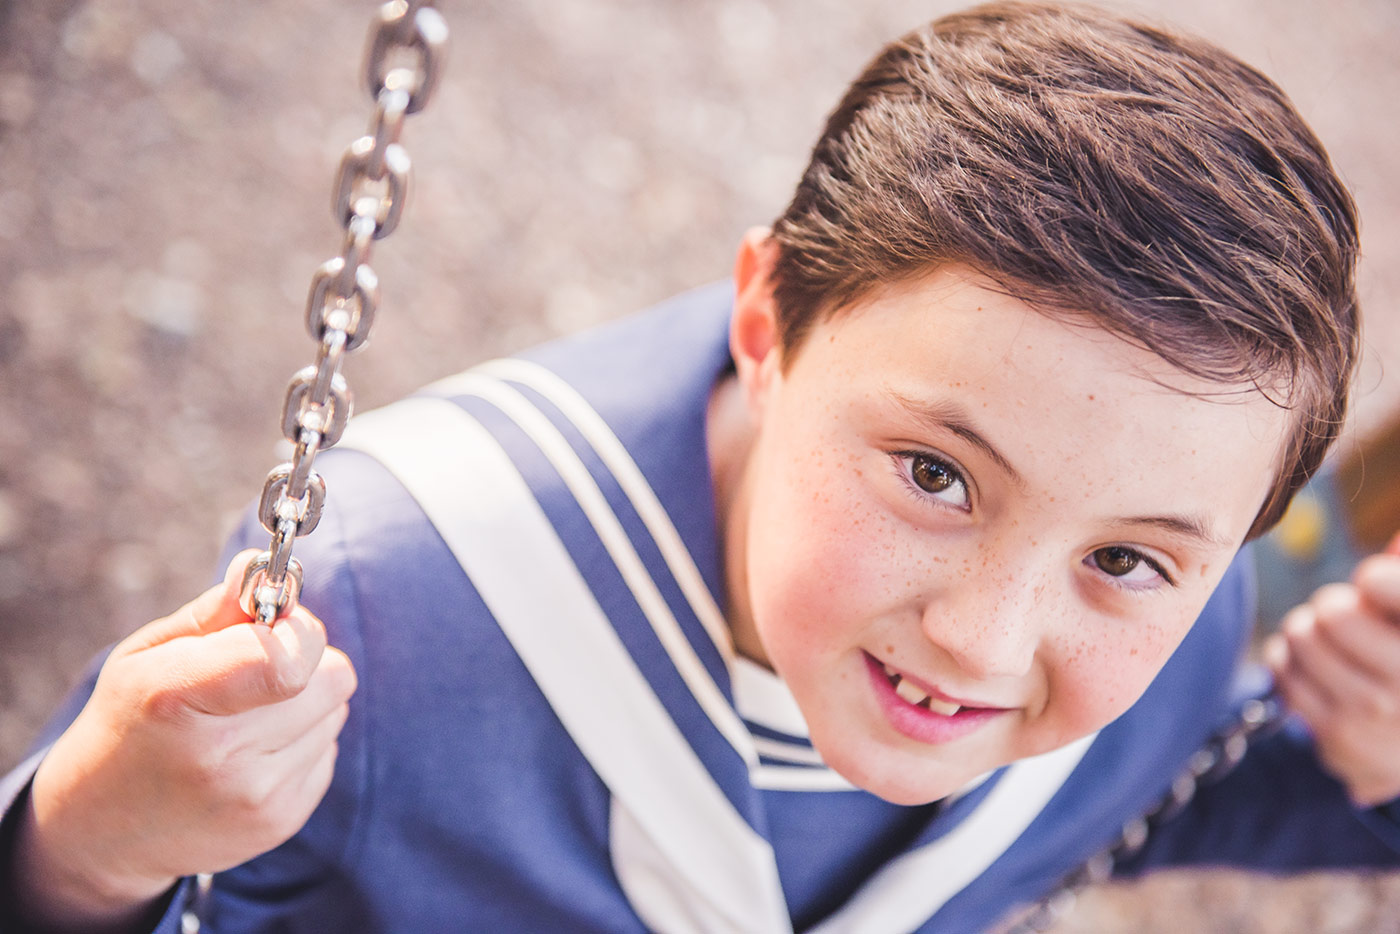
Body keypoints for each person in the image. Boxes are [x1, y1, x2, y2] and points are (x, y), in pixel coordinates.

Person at [5, 3, 1400, 931]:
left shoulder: (1175, 633)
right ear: (764, 314)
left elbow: (1172, 796)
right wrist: (81, 853)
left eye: (1123, 557)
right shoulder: (385, 620)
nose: (984, 636)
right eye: (933, 472)